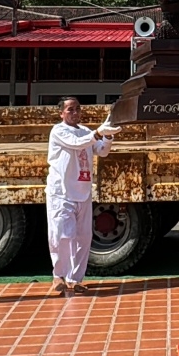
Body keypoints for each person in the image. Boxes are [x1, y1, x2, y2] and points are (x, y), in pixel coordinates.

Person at [46, 97, 121, 297]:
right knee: (63, 234)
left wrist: (108, 136)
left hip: (83, 191)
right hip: (62, 192)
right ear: (61, 113)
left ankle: (75, 279)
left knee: (83, 237)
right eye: (70, 110)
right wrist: (98, 132)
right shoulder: (58, 130)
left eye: (78, 109)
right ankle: (59, 276)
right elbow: (77, 144)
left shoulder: (86, 131)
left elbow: (102, 152)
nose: (75, 113)